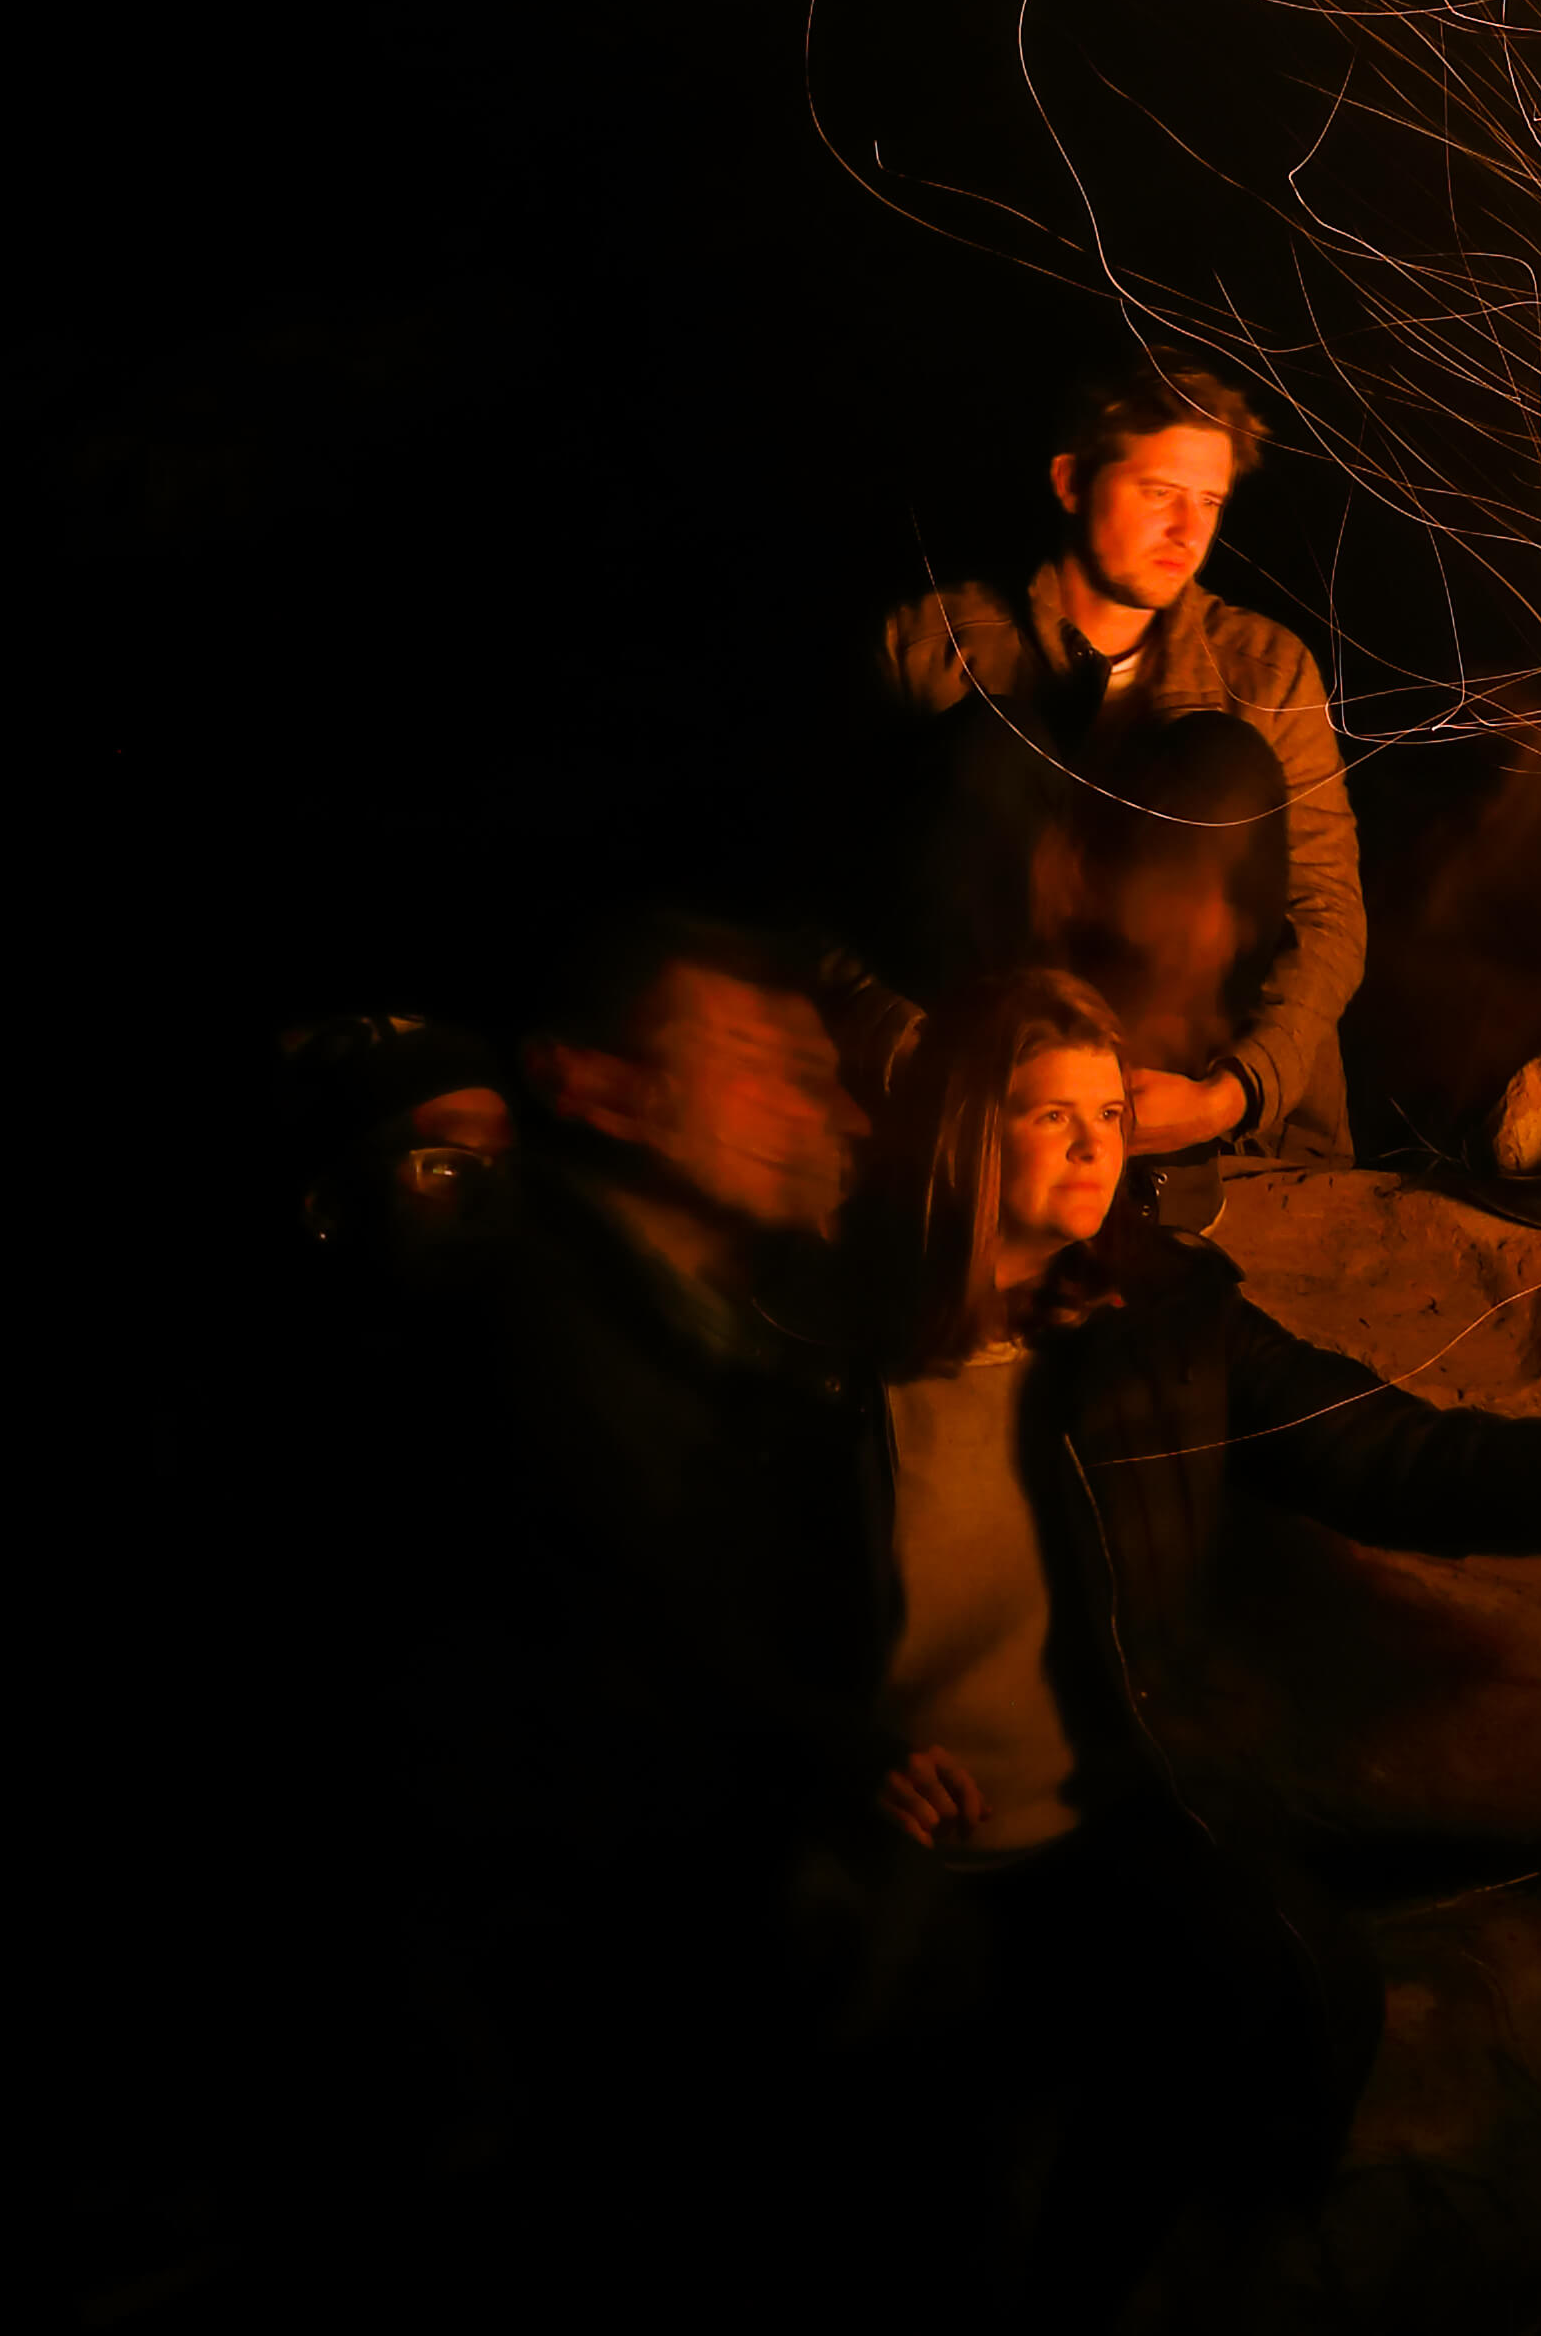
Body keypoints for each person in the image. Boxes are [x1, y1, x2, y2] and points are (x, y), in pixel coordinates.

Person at [845, 963, 1541, 2279]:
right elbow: (736, 1604)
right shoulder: (833, 1358)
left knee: (1251, 2000)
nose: (1090, 1144)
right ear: (963, 1126)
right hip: (886, 1851)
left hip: (1097, 1833)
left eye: (1108, 1113)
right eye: (1046, 1112)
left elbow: (1397, 1457)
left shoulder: (1161, 1325)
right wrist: (839, 1755)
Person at [404, 909, 901, 2259]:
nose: (842, 1110)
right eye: (770, 1063)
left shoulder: (744, 1339)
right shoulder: (515, 1357)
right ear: (608, 1088)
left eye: (828, 1069)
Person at [866, 363, 1365, 1165]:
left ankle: (1157, 1168)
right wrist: (922, 1063)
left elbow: (1330, 914)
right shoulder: (931, 646)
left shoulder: (1266, 670)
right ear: (1070, 482)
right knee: (988, 747)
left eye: (1208, 503)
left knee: (1219, 766)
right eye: (1160, 492)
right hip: (989, 1074)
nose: (1188, 532)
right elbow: (828, 899)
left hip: (1184, 1083)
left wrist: (1230, 1096)